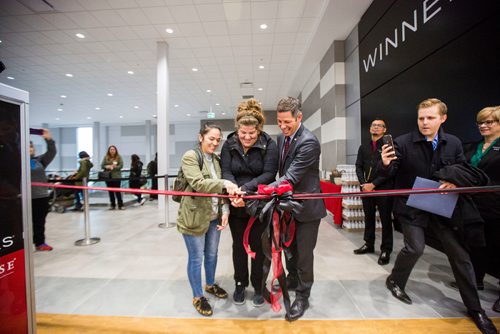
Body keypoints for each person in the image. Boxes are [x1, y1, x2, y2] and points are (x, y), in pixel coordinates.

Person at [381, 98, 498, 334]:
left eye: (430, 118)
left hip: (442, 206)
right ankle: (395, 280)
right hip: (411, 205)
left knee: (460, 255)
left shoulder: (453, 142)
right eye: (421, 118)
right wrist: (385, 164)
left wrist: (455, 182)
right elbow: (392, 171)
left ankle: (475, 309)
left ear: (442, 118)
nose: (424, 122)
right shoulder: (403, 142)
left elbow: (463, 169)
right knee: (415, 248)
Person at [270, 97, 326, 321]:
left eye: (287, 122)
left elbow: (291, 177)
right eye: (279, 122)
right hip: (289, 207)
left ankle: (303, 296)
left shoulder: (308, 142)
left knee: (304, 255)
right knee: (289, 248)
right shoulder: (281, 138)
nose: (282, 127)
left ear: (299, 117)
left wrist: (261, 190)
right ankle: (292, 279)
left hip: (308, 209)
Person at [176, 122, 240, 317]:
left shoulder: (217, 160)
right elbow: (198, 183)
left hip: (214, 216)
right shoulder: (190, 157)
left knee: (212, 255)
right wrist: (225, 182)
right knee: (196, 258)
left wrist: (226, 210)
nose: (215, 143)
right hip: (194, 217)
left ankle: (210, 285)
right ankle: (197, 296)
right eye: (211, 138)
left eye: (218, 140)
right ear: (201, 137)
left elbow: (221, 193)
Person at [220, 98, 279, 307]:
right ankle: (240, 282)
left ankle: (258, 285)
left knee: (258, 246)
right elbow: (226, 170)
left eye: (251, 134)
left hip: (258, 205)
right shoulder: (229, 144)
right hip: (236, 203)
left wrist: (244, 190)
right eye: (242, 133)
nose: (246, 137)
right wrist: (233, 190)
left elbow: (270, 174)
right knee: (238, 246)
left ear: (259, 129)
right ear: (237, 129)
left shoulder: (269, 145)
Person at [464, 106, 500, 313]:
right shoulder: (474, 147)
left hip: (497, 206)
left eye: (489, 122)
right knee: (477, 244)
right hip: (475, 206)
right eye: (481, 123)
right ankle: (476, 280)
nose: (484, 126)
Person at [354, 118, 393, 265]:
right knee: (368, 217)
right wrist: (364, 183)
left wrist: (374, 184)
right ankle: (369, 244)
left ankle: (386, 249)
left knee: (385, 220)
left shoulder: (389, 146)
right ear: (370, 129)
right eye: (373, 125)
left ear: (384, 129)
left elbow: (390, 170)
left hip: (383, 188)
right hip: (366, 189)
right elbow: (358, 166)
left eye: (379, 126)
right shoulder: (363, 147)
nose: (376, 128)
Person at [30, 129, 57, 251]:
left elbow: (52, 152)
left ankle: (40, 243)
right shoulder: (16, 162)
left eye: (31, 147)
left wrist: (48, 139)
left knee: (39, 221)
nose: (30, 149)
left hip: (41, 196)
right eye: (27, 147)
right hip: (23, 197)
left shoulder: (38, 161)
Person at [101, 145, 124, 210]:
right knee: (110, 191)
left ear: (115, 150)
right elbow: (102, 165)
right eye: (111, 149)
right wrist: (107, 166)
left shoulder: (119, 157)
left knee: (117, 191)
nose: (112, 150)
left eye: (113, 149)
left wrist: (114, 167)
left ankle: (120, 205)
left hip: (116, 176)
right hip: (108, 177)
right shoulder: (106, 157)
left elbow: (121, 166)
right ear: (109, 150)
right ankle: (112, 205)